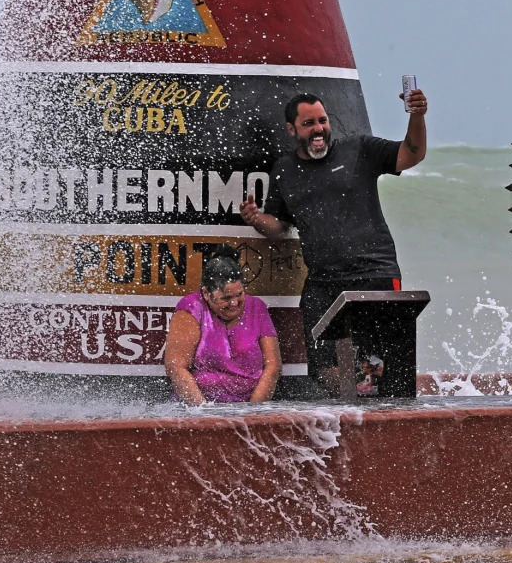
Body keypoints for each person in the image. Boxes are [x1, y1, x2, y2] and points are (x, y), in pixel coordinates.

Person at [239, 87, 428, 395]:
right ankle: (341, 426)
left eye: (322, 121)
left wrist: (417, 116)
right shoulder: (284, 170)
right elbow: (279, 225)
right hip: (322, 283)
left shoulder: (359, 150)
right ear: (292, 129)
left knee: (378, 370)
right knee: (325, 371)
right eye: (309, 123)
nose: (318, 129)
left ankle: (384, 424)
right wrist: (256, 218)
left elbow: (412, 153)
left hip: (374, 275)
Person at [163, 245, 281, 405]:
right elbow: (176, 367)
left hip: (250, 408)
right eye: (226, 298)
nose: (234, 303)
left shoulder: (257, 307)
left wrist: (252, 413)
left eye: (239, 294)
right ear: (206, 294)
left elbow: (273, 366)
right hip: (199, 408)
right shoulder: (191, 307)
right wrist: (203, 413)